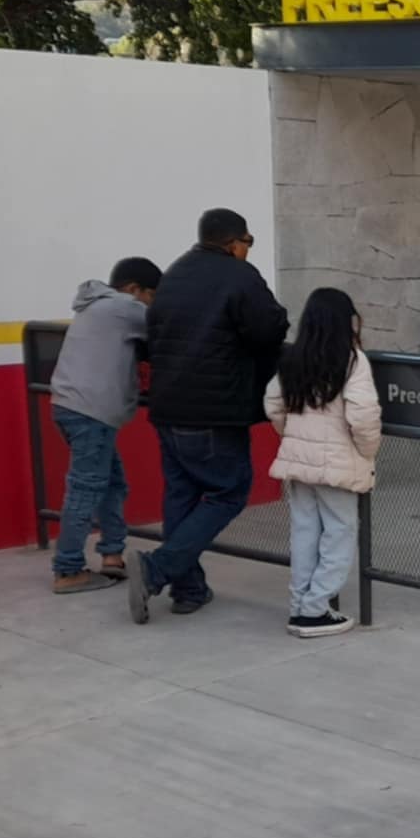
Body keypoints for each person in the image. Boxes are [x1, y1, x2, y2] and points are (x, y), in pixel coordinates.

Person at [128, 208, 290, 624]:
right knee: (228, 492)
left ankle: (189, 589)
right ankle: (157, 569)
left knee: (182, 495)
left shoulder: (175, 274)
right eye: (248, 242)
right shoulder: (240, 277)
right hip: (216, 410)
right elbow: (269, 330)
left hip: (167, 407)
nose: (248, 250)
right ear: (234, 242)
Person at [265, 288, 381, 639]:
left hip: (300, 464)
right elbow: (362, 415)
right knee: (340, 533)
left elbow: (273, 405)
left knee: (304, 532)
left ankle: (300, 605)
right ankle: (315, 610)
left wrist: (295, 439)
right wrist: (367, 451)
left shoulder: (292, 357)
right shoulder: (351, 360)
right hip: (338, 463)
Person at [47, 257, 163, 594]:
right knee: (85, 490)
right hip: (91, 412)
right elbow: (167, 327)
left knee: (112, 484)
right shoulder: (124, 308)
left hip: (70, 406)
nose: (150, 304)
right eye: (151, 296)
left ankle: (112, 554)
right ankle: (67, 569)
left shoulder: (94, 307)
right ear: (133, 289)